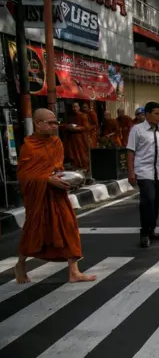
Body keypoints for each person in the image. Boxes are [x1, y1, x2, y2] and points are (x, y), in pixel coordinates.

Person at [14, 108, 96, 284]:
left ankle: (74, 271)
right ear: (37, 123)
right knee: (33, 230)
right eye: (50, 123)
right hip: (39, 196)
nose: (54, 126)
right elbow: (24, 175)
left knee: (69, 227)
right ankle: (20, 265)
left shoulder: (56, 142)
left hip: (56, 194)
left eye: (55, 122)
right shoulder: (29, 146)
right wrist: (47, 180)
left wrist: (63, 178)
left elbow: (56, 168)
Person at [126, 101, 159, 248]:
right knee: (148, 200)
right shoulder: (137, 130)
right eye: (156, 114)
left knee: (157, 201)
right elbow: (130, 151)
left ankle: (152, 229)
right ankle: (144, 232)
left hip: (158, 172)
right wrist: (131, 172)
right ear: (147, 114)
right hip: (143, 171)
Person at [65, 102, 90, 170]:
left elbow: (86, 127)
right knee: (74, 152)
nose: (74, 108)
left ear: (79, 107)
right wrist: (68, 127)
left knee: (82, 153)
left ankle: (85, 167)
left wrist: (76, 128)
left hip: (81, 138)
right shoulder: (71, 116)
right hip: (73, 138)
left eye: (76, 107)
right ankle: (77, 166)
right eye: (73, 107)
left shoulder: (83, 116)